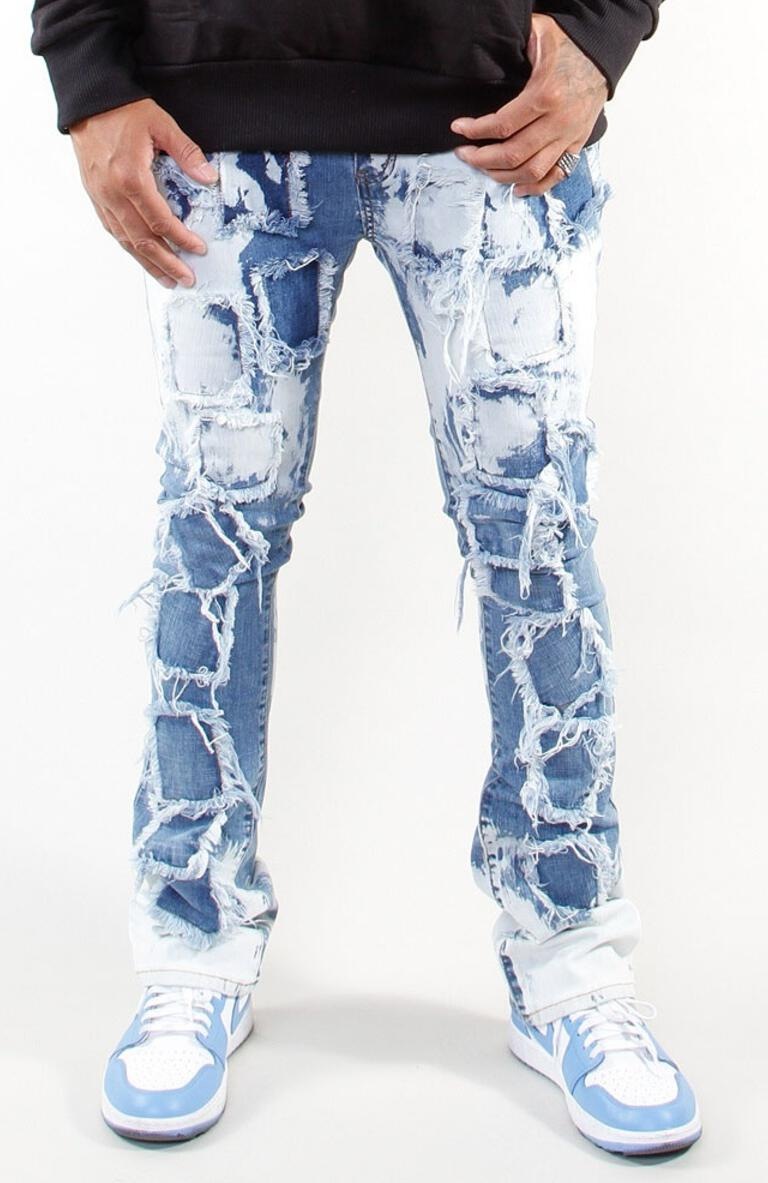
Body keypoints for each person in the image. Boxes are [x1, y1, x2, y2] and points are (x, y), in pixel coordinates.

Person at [30, 0, 701, 1156]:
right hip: (218, 127)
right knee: (211, 545)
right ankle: (192, 943)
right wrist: (87, 74)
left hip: (492, 120)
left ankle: (572, 955)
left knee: (537, 538)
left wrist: (601, 30)